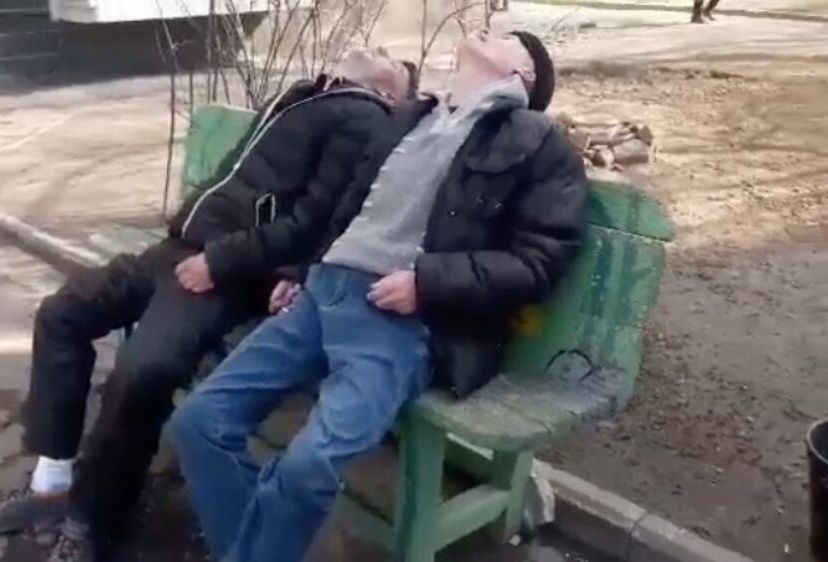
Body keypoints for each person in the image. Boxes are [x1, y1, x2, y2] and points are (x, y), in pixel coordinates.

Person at [0, 48, 417, 562]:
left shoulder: (364, 118)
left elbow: (313, 222)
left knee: (143, 370)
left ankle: (94, 520)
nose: (376, 49)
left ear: (389, 90)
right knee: (62, 313)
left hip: (224, 272)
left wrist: (220, 263)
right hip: (178, 249)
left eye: (390, 56)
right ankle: (51, 484)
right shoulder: (310, 94)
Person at [165, 29, 587, 562]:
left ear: (522, 76)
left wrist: (427, 284)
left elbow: (539, 260)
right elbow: (349, 209)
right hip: (318, 298)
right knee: (199, 423)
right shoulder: (411, 117)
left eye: (510, 39)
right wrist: (304, 269)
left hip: (396, 319)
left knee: (307, 467)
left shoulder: (535, 142)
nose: (489, 29)